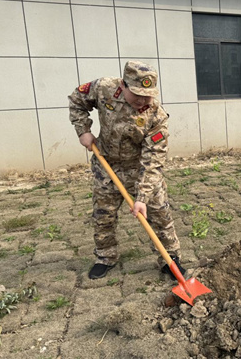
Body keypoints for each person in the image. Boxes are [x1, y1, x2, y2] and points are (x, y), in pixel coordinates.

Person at [68, 60, 184, 280]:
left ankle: (170, 260)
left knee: (160, 214)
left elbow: (154, 160)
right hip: (106, 165)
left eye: (147, 95)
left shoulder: (156, 116)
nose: (142, 100)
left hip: (140, 169)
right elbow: (76, 100)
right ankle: (105, 257)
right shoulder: (103, 88)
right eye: (137, 94)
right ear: (124, 85)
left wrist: (141, 197)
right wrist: (83, 130)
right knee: (104, 215)